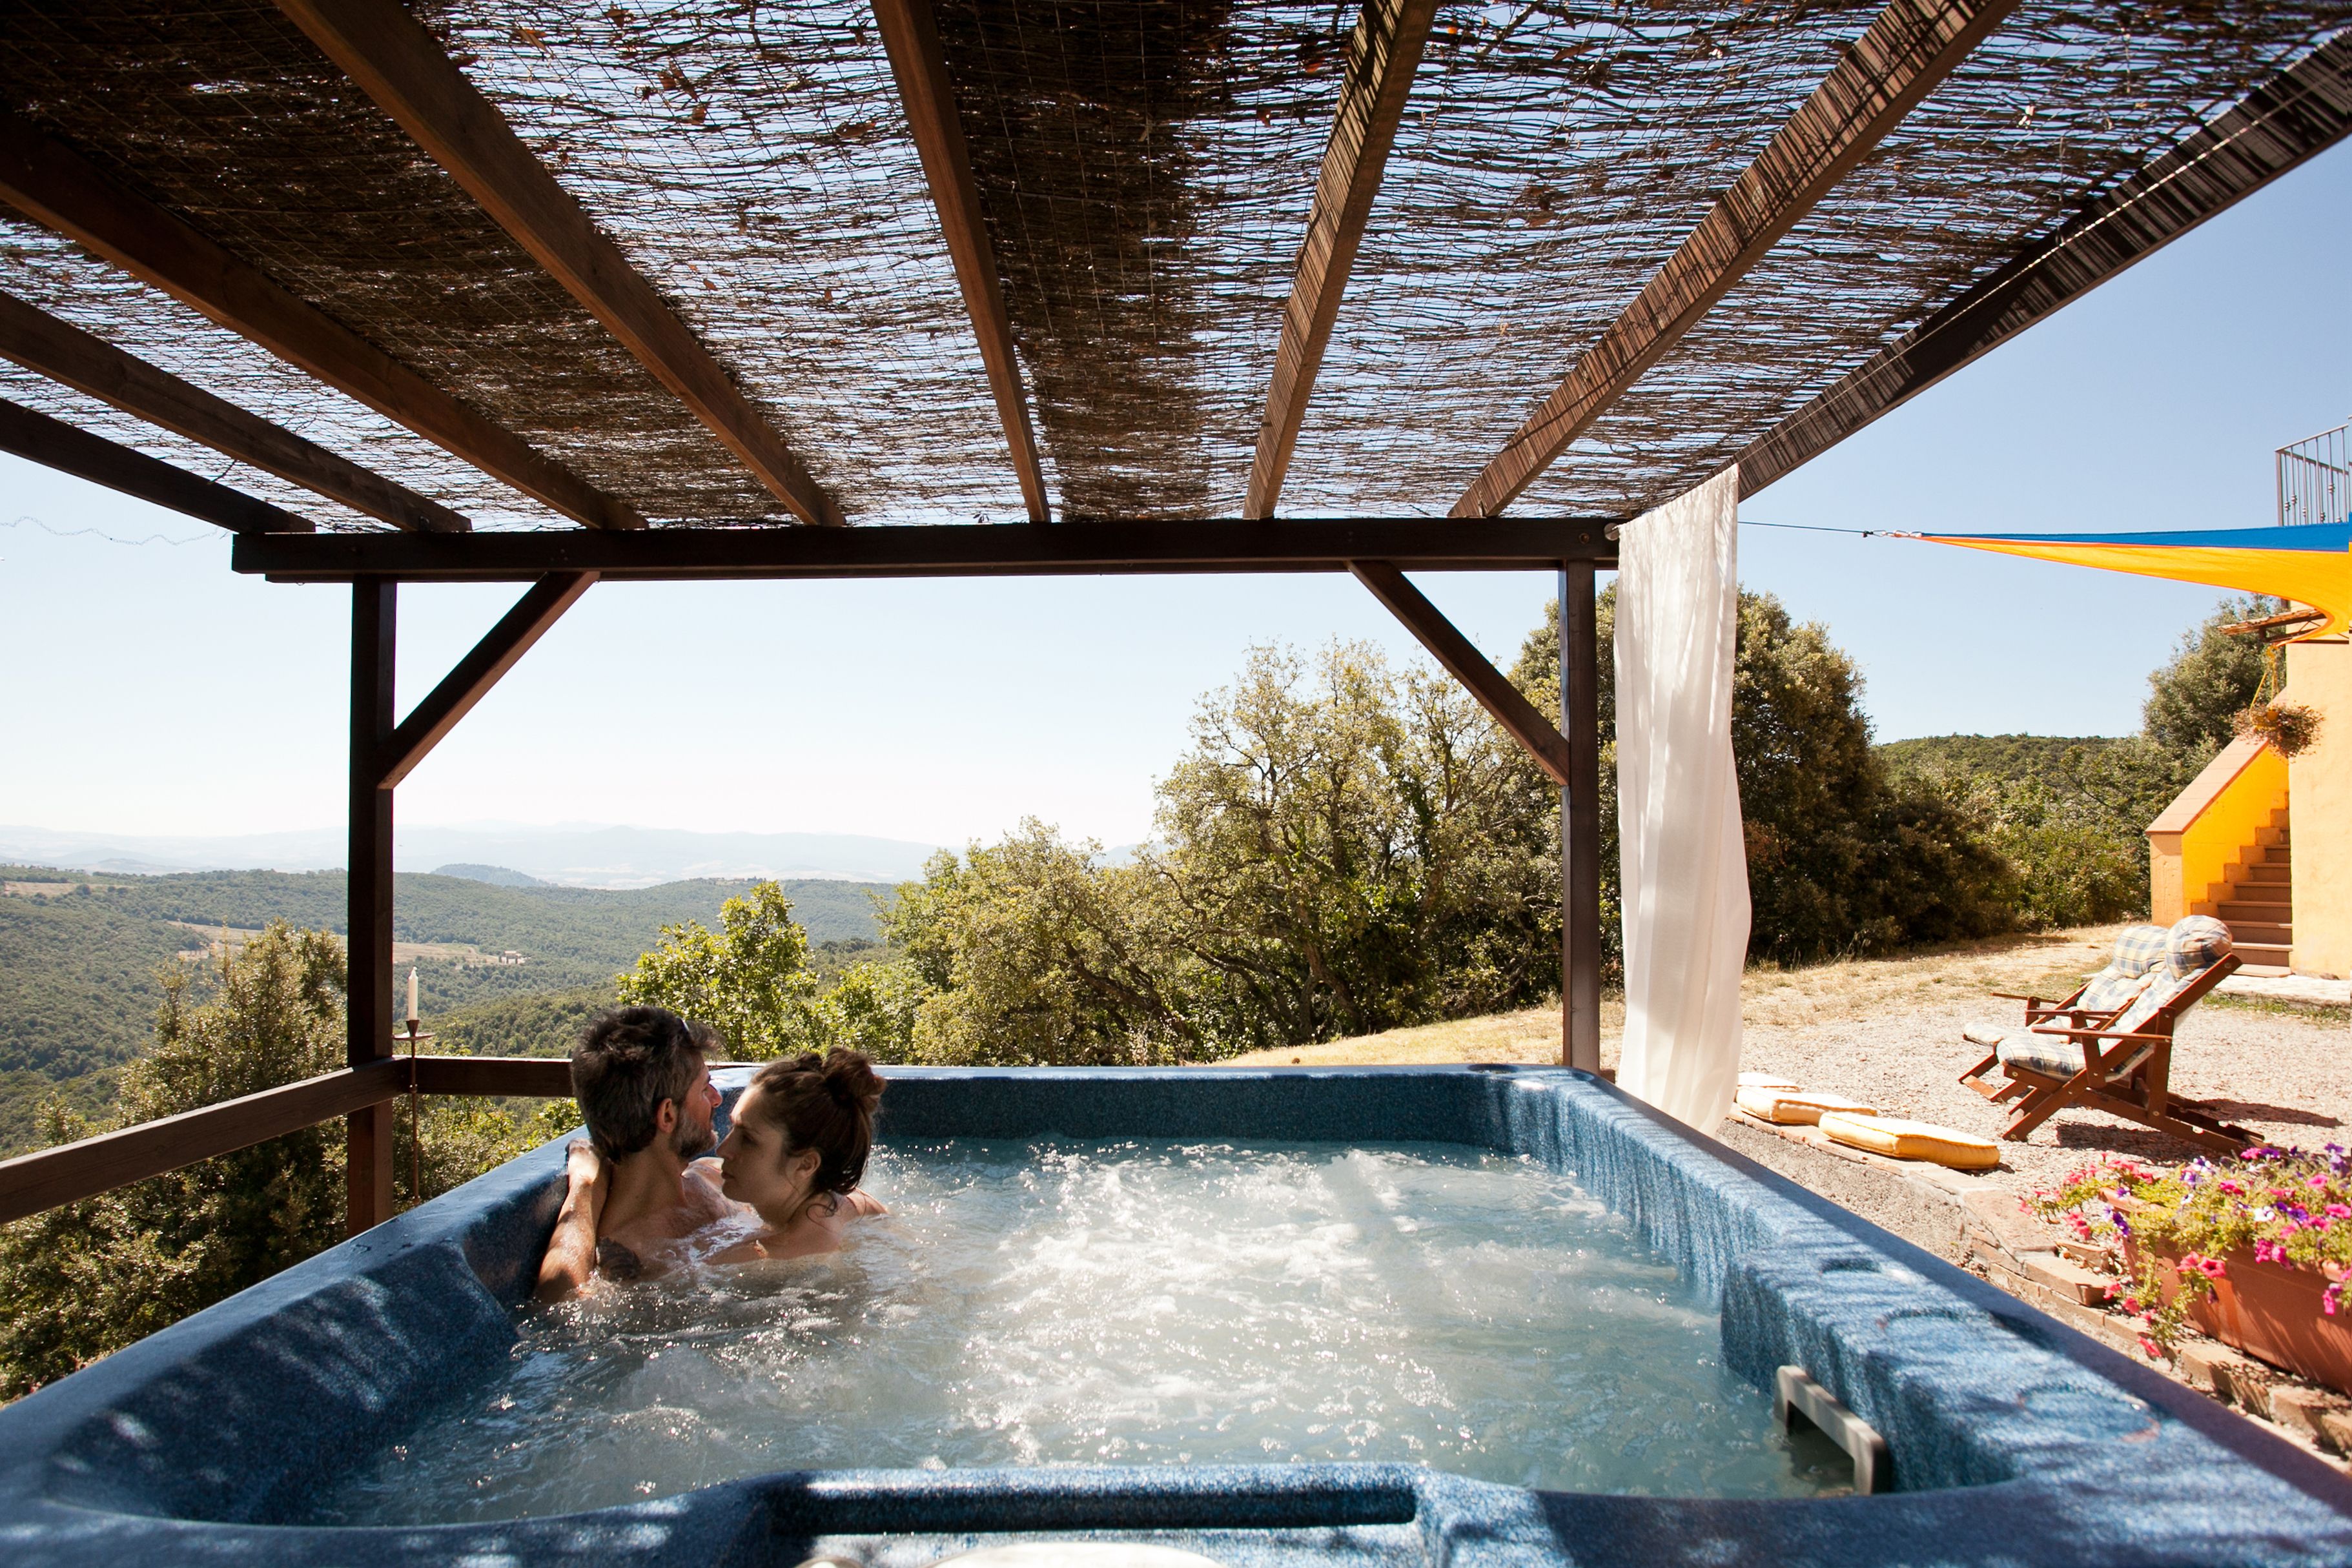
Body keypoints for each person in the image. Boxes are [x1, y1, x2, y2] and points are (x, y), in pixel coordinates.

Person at [533, 1006, 730, 1300]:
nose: (717, 1099)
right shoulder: (625, 1253)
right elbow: (560, 1304)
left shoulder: (714, 1175)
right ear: (667, 1115)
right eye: (705, 1089)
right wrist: (585, 1186)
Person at [708, 1048, 888, 1263]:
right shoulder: (839, 1200)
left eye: (748, 1139)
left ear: (805, 1165)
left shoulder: (774, 1254)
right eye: (732, 1127)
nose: (723, 1149)